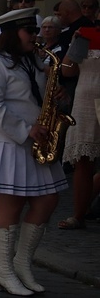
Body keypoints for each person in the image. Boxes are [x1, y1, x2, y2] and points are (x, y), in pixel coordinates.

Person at [0, 7, 68, 295]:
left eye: (36, 30)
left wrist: (59, 94)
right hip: (6, 141)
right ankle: (4, 270)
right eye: (30, 31)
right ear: (13, 34)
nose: (35, 36)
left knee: (48, 199)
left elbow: (36, 96)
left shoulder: (32, 61)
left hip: (33, 141)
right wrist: (26, 130)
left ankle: (22, 262)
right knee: (11, 205)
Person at [58, 26, 100, 230]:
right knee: (83, 161)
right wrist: (73, 46)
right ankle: (79, 214)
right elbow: (68, 70)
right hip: (86, 101)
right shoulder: (86, 34)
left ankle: (87, 204)